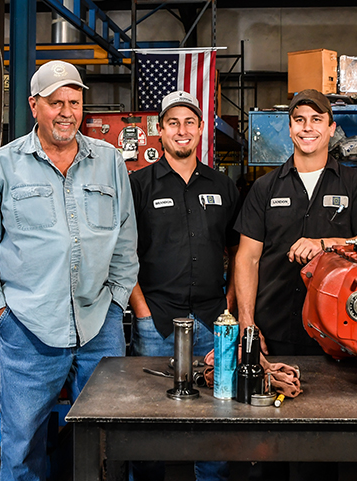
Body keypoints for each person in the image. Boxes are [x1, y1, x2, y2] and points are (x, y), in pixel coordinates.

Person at [0, 60, 138, 481]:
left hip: (99, 326)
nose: (67, 112)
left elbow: (126, 240)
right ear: (34, 105)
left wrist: (116, 301)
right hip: (29, 331)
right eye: (56, 102)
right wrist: (4, 315)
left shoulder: (109, 161)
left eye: (74, 102)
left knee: (108, 446)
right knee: (22, 450)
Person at [234, 89, 357, 480]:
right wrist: (247, 324)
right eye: (300, 119)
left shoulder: (355, 184)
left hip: (338, 339)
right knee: (271, 447)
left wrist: (325, 243)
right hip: (275, 334)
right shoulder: (265, 188)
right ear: (289, 128)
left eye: (317, 120)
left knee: (334, 447)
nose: (308, 127)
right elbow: (247, 258)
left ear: (331, 128)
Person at [127, 90, 237, 481]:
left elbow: (238, 249)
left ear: (201, 129)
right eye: (173, 122)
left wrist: (229, 302)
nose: (182, 130)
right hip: (156, 320)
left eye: (190, 122)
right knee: (149, 420)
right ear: (160, 131)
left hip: (211, 321)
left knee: (215, 416)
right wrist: (141, 310)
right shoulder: (138, 185)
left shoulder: (223, 186)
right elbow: (124, 254)